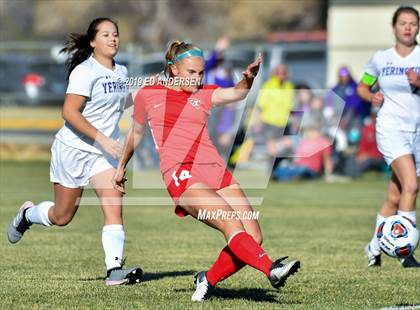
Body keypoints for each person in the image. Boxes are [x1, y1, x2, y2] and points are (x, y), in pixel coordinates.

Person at [114, 41, 300, 302]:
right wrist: (121, 167)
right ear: (174, 69)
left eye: (201, 73)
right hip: (181, 173)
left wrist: (248, 80)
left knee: (254, 235)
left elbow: (236, 93)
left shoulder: (204, 93)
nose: (198, 78)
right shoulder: (149, 94)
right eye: (192, 72)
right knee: (230, 222)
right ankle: (271, 268)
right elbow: (134, 133)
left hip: (214, 169)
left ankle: (208, 280)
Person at [7, 17, 143, 284]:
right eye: (105, 35)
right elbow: (69, 112)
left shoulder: (122, 72)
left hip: (102, 155)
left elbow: (121, 101)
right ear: (93, 42)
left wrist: (147, 92)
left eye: (115, 34)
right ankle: (27, 214)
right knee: (62, 216)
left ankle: (114, 270)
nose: (113, 39)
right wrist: (103, 139)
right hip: (73, 150)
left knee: (114, 205)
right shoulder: (85, 71)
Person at [357, 6, 420, 268]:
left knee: (396, 197)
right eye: (403, 23)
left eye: (413, 24)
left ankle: (373, 247)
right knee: (412, 186)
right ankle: (406, 253)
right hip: (391, 128)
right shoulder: (381, 59)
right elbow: (362, 86)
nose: (407, 28)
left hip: (417, 132)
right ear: (394, 27)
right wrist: (372, 96)